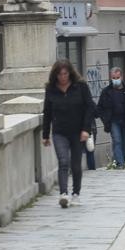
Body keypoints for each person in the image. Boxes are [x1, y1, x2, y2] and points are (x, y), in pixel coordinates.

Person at [42, 60, 97, 208]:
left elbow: (90, 108)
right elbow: (47, 112)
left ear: (70, 73)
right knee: (63, 161)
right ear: (55, 75)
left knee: (76, 164)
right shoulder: (51, 89)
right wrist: (45, 134)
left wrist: (86, 129)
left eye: (65, 74)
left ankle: (76, 194)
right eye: (60, 74)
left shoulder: (80, 87)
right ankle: (63, 194)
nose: (63, 77)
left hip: (78, 132)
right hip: (59, 132)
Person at [98, 67, 125, 167]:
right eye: (113, 78)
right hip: (113, 121)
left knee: (124, 144)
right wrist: (105, 120)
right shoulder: (106, 92)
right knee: (117, 141)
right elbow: (100, 108)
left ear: (122, 77)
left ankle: (123, 162)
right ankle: (121, 165)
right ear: (110, 78)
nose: (116, 80)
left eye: (117, 77)